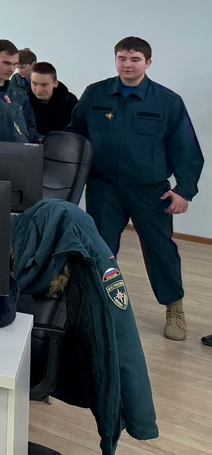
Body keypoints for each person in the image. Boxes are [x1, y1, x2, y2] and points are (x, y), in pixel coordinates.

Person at [68, 37, 204, 341]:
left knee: (160, 250)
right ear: (115, 60)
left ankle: (174, 307)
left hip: (150, 190)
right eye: (122, 58)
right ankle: (95, 306)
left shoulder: (167, 101)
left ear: (148, 63)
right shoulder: (96, 93)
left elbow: (186, 149)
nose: (127, 65)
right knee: (100, 249)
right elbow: (75, 135)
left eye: (135, 59)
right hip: (104, 187)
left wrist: (185, 190)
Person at [0, 39, 38, 142]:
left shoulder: (19, 95)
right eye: (6, 63)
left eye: (15, 64)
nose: (12, 69)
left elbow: (28, 130)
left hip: (10, 149)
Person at [29, 62, 78, 137]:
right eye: (34, 84)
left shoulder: (70, 101)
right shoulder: (24, 100)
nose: (38, 89)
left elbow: (77, 129)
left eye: (44, 85)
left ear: (55, 83)